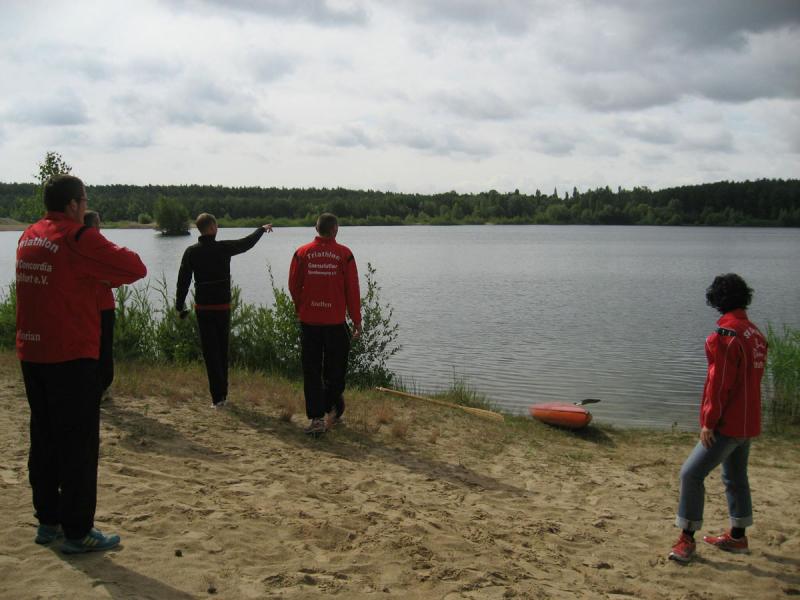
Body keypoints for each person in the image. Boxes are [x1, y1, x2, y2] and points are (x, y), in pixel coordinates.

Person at [16, 174, 147, 553]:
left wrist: (92, 275)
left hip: (32, 353)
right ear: (73, 204)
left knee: (44, 438)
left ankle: (48, 521)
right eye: (85, 200)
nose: (86, 206)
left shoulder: (29, 235)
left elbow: (65, 279)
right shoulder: (78, 238)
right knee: (78, 446)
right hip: (70, 356)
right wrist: (99, 258)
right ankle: (78, 531)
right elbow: (135, 267)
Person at [668, 273, 768, 563]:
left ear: (717, 299)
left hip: (728, 423)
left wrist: (709, 422)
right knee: (735, 476)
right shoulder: (755, 334)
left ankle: (687, 539)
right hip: (748, 422)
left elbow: (719, 384)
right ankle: (737, 537)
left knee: (691, 474)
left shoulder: (726, 336)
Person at [175, 213, 273, 408]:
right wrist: (261, 229)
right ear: (212, 228)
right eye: (216, 225)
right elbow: (246, 243)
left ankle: (217, 398)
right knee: (221, 351)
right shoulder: (223, 248)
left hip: (203, 308)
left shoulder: (191, 252)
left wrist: (180, 305)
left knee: (210, 353)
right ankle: (222, 396)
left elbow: (183, 280)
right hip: (222, 308)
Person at [289, 213, 362, 435]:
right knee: (335, 373)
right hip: (334, 323)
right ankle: (324, 413)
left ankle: (321, 415)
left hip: (310, 322)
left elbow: (293, 285)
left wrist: (300, 306)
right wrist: (356, 320)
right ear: (335, 230)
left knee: (312, 372)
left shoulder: (302, 253)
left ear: (316, 228)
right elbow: (352, 290)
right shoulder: (345, 254)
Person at [83, 211, 116, 402]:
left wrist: (109, 280)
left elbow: (117, 275)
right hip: (92, 306)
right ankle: (96, 385)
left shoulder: (101, 247)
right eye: (98, 223)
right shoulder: (83, 247)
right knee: (97, 347)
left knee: (102, 346)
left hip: (99, 305)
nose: (100, 227)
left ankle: (102, 386)